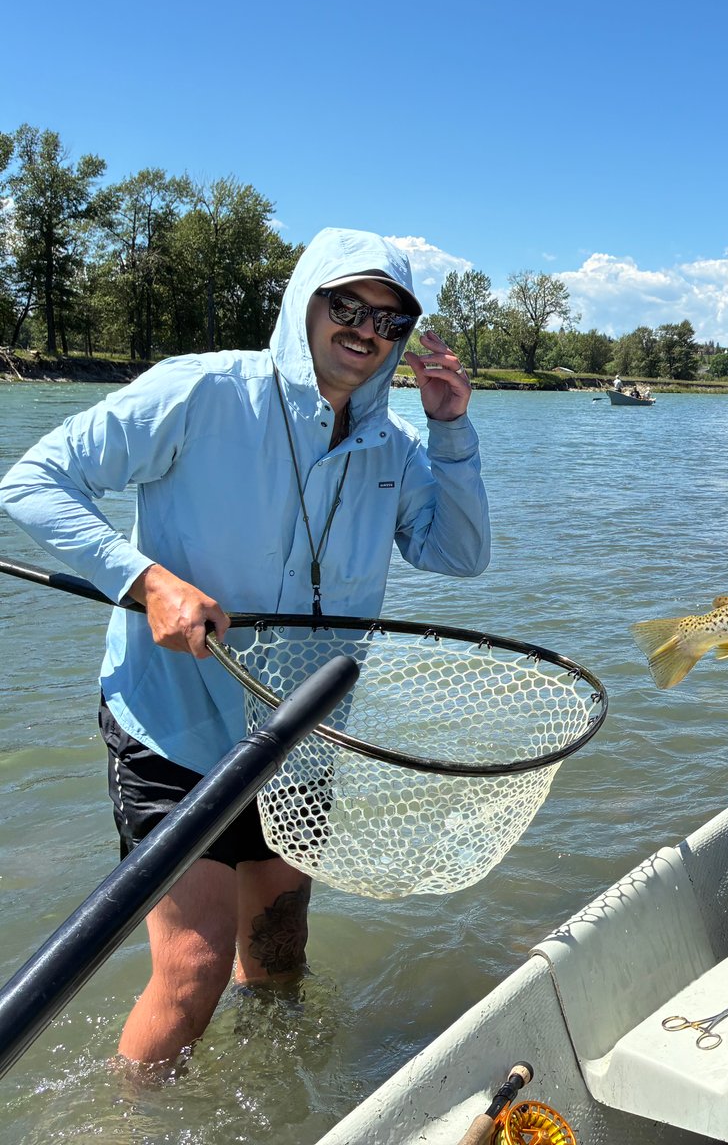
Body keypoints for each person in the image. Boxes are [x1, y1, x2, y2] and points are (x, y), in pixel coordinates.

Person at [0, 227, 491, 1069]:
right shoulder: (202, 392)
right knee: (191, 972)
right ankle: (133, 1123)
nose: (366, 330)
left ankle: (272, 1097)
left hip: (297, 740)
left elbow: (459, 553)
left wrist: (450, 430)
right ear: (307, 302)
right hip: (172, 727)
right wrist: (144, 580)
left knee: (278, 955)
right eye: (348, 305)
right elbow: (31, 482)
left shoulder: (399, 447)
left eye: (389, 319)